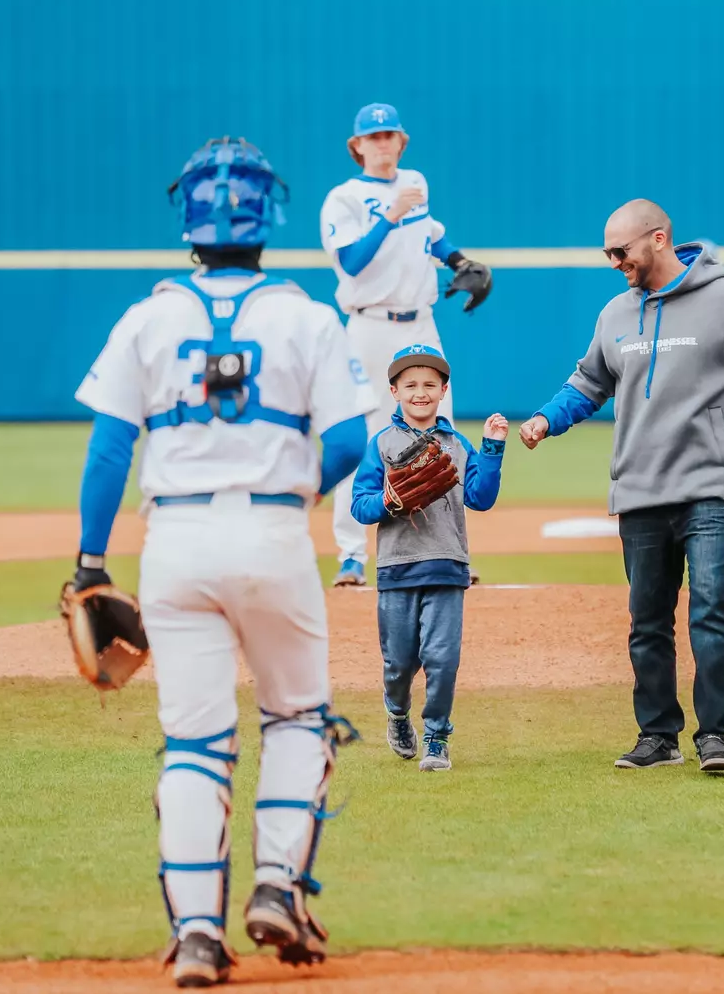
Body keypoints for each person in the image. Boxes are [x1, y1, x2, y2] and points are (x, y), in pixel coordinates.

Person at [72, 137, 374, 987]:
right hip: (273, 534)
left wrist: (91, 563)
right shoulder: (308, 317)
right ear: (269, 217)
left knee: (194, 743)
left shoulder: (147, 318)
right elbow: (349, 441)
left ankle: (199, 937)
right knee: (296, 718)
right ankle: (277, 888)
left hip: (176, 543)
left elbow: (108, 451)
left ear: (188, 222)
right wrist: (296, 494)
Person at [517, 199, 724, 774]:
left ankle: (715, 736)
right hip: (642, 490)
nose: (613, 262)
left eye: (619, 251)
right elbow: (588, 383)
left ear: (657, 238)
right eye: (607, 253)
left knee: (712, 610)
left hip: (716, 487)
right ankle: (657, 736)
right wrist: (547, 418)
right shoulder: (615, 314)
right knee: (647, 620)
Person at [319, 103, 492, 587]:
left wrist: (458, 260)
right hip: (369, 326)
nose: (382, 143)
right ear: (357, 146)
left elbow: (431, 236)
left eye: (389, 135)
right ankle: (351, 556)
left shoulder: (415, 182)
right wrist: (391, 215)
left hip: (420, 324)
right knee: (363, 435)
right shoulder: (344, 198)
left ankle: (450, 550)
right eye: (372, 137)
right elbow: (352, 261)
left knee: (441, 432)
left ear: (401, 141)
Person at [348, 344, 507, 772]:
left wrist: (492, 449)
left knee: (442, 659)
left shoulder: (457, 444)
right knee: (398, 663)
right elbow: (360, 505)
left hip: (447, 565)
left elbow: (480, 497)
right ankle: (398, 714)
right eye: (411, 385)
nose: (420, 393)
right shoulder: (381, 444)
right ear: (394, 391)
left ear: (443, 391)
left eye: (430, 385)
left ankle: (437, 737)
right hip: (397, 567)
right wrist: (387, 500)